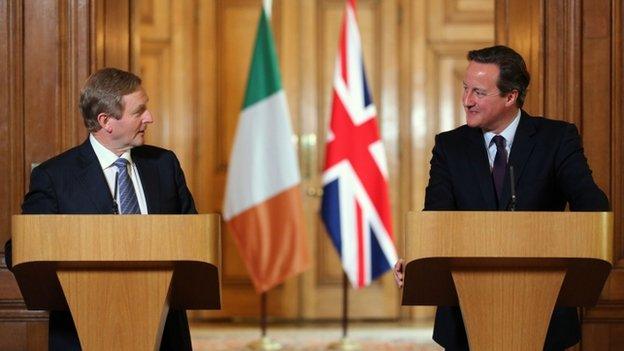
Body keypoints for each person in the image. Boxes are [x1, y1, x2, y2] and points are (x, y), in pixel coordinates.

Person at [393, 45, 609, 350]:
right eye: (465, 88)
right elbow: (436, 219)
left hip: (542, 309)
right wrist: (416, 260)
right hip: (465, 315)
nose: (466, 100)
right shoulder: (449, 146)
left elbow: (593, 207)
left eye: (478, 92)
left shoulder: (557, 139)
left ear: (511, 96)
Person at [5, 68, 196, 350]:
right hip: (82, 331)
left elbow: (191, 236)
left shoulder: (164, 165)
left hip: (164, 330)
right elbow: (21, 249)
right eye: (139, 111)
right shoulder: (55, 177)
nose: (149, 118)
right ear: (106, 121)